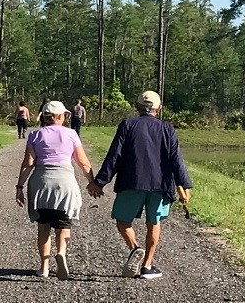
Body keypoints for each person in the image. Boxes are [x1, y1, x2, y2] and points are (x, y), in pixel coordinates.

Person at [86, 90, 192, 280]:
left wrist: (100, 182)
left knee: (123, 222)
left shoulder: (128, 125)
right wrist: (184, 185)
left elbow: (115, 156)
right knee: (154, 222)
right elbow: (176, 159)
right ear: (158, 109)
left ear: (137, 107)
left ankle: (135, 248)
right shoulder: (167, 128)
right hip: (160, 185)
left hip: (131, 181)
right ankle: (147, 266)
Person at [15, 101, 95, 280]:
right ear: (60, 116)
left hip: (41, 182)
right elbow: (83, 162)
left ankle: (44, 267)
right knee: (63, 224)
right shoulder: (71, 134)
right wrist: (92, 182)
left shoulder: (35, 135)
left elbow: (28, 163)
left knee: (43, 227)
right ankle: (61, 253)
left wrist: (19, 187)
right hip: (64, 182)